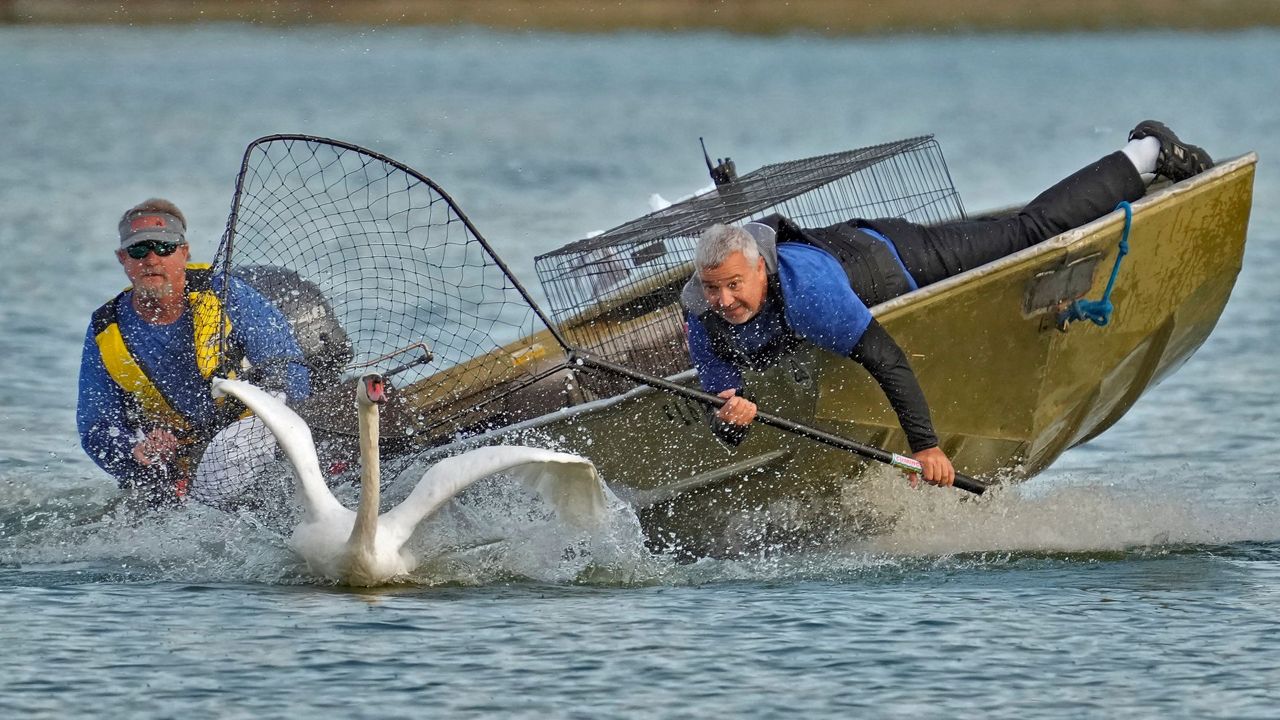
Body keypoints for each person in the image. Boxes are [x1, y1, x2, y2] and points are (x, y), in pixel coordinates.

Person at [681, 120, 1213, 488]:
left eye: (734, 285)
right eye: (713, 289)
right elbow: (725, 425)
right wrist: (735, 414)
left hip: (899, 258)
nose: (725, 300)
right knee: (1000, 231)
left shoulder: (808, 291)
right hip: (855, 251)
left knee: (1024, 234)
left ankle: (1147, 151)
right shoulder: (702, 315)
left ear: (759, 268)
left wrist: (927, 448)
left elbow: (885, 359)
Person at [77, 198, 311, 508]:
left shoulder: (226, 293)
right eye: (138, 250)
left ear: (184, 252)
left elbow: (290, 368)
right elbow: (95, 428)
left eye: (164, 248)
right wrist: (135, 449)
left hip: (252, 440)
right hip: (177, 466)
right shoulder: (106, 329)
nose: (151, 259)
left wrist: (270, 429)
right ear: (123, 258)